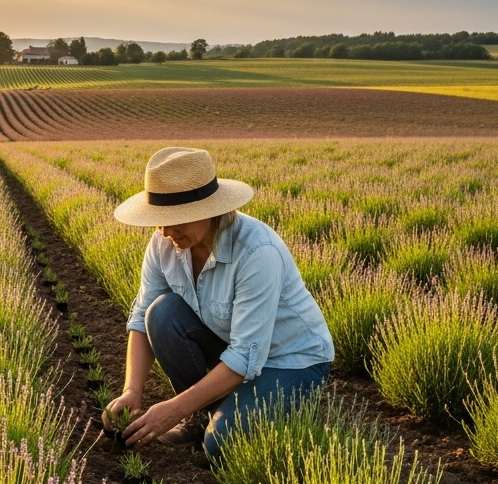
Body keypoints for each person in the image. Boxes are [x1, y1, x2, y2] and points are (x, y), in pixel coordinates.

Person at [103, 146, 334, 459]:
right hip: (234, 347)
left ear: (208, 210)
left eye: (175, 219)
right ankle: (204, 415)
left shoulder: (256, 252)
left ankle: (232, 413)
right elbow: (141, 315)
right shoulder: (164, 243)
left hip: (291, 359)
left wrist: (172, 409)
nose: (166, 231)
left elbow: (244, 357)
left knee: (220, 446)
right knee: (161, 314)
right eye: (159, 220)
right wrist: (133, 390)